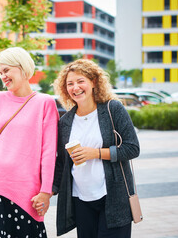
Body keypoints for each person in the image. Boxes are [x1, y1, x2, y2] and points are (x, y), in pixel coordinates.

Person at [0, 47, 59, 238]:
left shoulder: (45, 103)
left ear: (23, 68)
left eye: (6, 70)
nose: (3, 77)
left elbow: (49, 152)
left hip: (27, 192)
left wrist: (46, 191)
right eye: (0, 73)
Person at [52, 59, 140, 238]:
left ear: (93, 82)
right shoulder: (65, 122)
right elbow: (61, 162)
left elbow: (132, 148)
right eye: (70, 83)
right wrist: (48, 190)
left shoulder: (112, 109)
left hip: (113, 197)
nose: (75, 87)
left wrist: (96, 153)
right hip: (81, 199)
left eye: (80, 81)